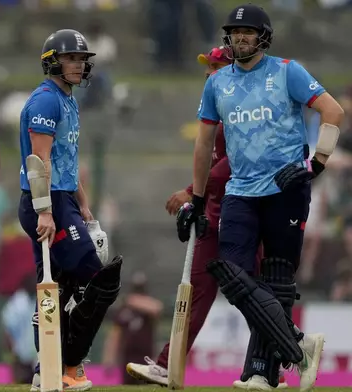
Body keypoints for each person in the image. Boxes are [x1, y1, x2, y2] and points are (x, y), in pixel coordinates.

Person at [177, 4, 344, 391]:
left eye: (247, 33)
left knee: (278, 282)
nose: (239, 39)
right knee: (233, 274)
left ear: (263, 36)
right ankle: (299, 345)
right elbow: (203, 144)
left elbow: (333, 112)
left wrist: (314, 165)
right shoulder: (217, 83)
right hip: (240, 191)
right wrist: (197, 200)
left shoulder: (287, 71)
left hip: (286, 189)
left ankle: (260, 372)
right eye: (234, 33)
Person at [127, 45, 288, 389]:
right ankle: (167, 366)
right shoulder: (218, 110)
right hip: (216, 218)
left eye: (215, 67)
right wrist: (196, 201)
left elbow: (234, 164)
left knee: (252, 294)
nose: (207, 73)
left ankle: (284, 356)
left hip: (244, 216)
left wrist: (191, 193)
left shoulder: (245, 111)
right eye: (208, 67)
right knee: (200, 293)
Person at [17, 29, 121, 392]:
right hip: (46, 201)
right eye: (71, 58)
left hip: (63, 200)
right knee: (96, 277)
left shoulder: (69, 101)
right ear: (52, 61)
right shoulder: (46, 100)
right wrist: (46, 212)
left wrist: (84, 203)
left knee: (60, 288)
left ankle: (48, 369)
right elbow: (39, 161)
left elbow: (68, 161)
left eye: (81, 58)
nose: (79, 64)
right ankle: (67, 363)